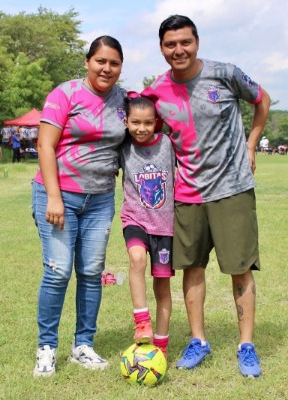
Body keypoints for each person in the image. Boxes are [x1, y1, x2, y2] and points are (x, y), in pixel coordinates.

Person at [142, 15, 271, 378]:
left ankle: (246, 346)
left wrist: (251, 145)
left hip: (232, 188)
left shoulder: (225, 74)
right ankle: (198, 340)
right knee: (192, 267)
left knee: (240, 268)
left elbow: (262, 99)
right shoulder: (155, 92)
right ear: (161, 48)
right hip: (187, 193)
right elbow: (146, 131)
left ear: (196, 42)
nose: (178, 50)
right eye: (170, 44)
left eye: (185, 42)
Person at [32, 35, 126, 378]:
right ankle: (46, 348)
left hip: (100, 199)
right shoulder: (66, 93)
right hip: (60, 196)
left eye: (114, 63)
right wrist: (54, 197)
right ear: (88, 62)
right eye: (100, 61)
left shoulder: (124, 100)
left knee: (91, 272)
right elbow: (45, 145)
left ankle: (83, 345)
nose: (106, 68)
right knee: (58, 271)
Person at [119, 94, 175, 357]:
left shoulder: (167, 144)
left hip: (165, 227)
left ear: (156, 122)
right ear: (126, 122)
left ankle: (161, 346)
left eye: (148, 123)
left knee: (162, 287)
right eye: (135, 122)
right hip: (135, 220)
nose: (141, 128)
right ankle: (142, 321)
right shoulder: (123, 147)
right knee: (137, 259)